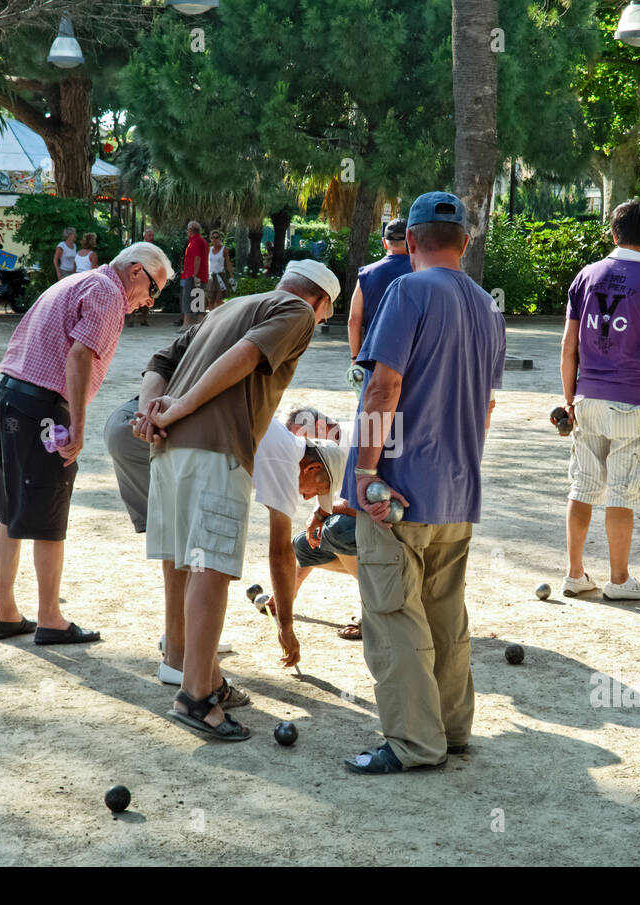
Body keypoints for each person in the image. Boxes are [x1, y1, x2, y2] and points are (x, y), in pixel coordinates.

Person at [136, 259, 341, 741]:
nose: (319, 324)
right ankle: (195, 699)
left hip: (168, 449)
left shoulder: (228, 308)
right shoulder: (296, 311)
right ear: (319, 300)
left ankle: (204, 677)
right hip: (217, 447)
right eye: (326, 315)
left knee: (182, 562)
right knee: (211, 567)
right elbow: (249, 356)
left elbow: (160, 362)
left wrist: (154, 409)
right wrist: (184, 406)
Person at [339, 191, 505, 775]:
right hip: (459, 485)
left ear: (410, 242)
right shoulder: (488, 307)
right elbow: (484, 408)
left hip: (399, 485)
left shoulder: (407, 291)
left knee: (392, 613)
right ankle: (453, 731)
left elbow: (384, 389)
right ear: (464, 242)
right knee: (445, 610)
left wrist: (364, 470)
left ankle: (414, 742)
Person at [0, 241, 173, 646]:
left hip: (7, 395)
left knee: (11, 510)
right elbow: (80, 356)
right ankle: (50, 619)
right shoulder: (107, 292)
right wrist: (78, 426)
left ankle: (7, 613)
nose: (149, 301)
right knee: (48, 515)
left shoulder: (80, 281)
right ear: (135, 270)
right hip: (40, 406)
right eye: (153, 288)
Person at [559, 199, 640, 602]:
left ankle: (575, 573)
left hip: (587, 397)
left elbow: (568, 347)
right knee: (623, 492)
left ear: (613, 234)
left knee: (583, 486)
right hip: (632, 402)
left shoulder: (586, 276)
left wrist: (569, 401)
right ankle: (618, 579)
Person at [102, 321, 234, 685]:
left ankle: (180, 641)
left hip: (126, 422)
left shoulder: (208, 329)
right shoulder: (248, 340)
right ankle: (178, 654)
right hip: (148, 432)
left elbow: (157, 362)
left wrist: (144, 415)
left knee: (178, 543)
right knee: (187, 545)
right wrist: (148, 419)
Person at [253, 411, 354, 658]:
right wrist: (286, 626)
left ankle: (177, 646)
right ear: (312, 468)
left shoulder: (287, 452)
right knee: (304, 543)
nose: (308, 498)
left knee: (334, 528)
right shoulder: (286, 463)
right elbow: (280, 552)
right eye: (321, 489)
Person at [348, 217, 412, 361]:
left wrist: (355, 358)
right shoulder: (423, 272)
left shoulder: (365, 274)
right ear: (412, 241)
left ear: (384, 243)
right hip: (412, 358)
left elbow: (354, 320)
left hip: (374, 356)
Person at [180, 221, 209, 326]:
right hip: (198, 275)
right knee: (199, 299)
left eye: (188, 230)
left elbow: (197, 258)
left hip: (194, 275)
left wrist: (195, 275)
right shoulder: (202, 241)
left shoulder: (195, 241)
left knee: (188, 298)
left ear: (191, 230)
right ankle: (199, 325)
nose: (187, 232)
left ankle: (186, 324)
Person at [205, 230, 234, 309]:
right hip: (211, 277)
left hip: (220, 276)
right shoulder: (209, 249)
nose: (214, 239)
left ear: (220, 239)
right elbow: (205, 263)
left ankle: (227, 312)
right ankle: (212, 319)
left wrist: (232, 276)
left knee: (218, 300)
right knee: (210, 300)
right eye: (212, 237)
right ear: (210, 239)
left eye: (216, 237)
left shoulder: (224, 249)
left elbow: (228, 263)